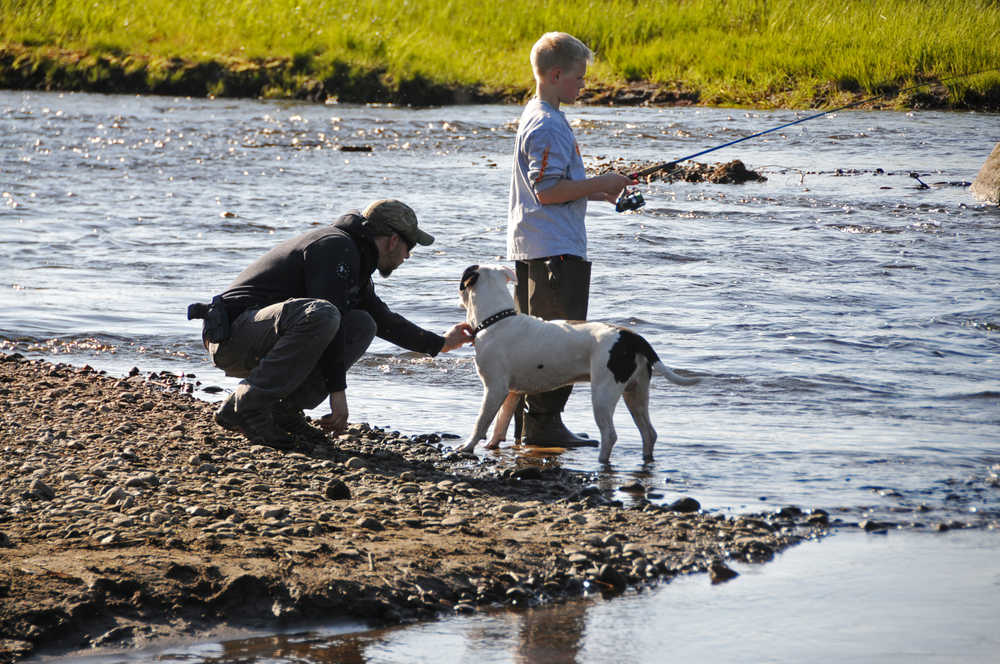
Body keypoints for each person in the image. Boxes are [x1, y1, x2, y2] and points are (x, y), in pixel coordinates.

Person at [195, 199, 473, 448]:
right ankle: (250, 408)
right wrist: (338, 394)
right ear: (392, 240)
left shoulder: (357, 258)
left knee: (363, 324)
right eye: (409, 246)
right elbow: (326, 318)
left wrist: (441, 343)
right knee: (325, 315)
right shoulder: (335, 247)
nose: (408, 256)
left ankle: (282, 410)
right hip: (233, 336)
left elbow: (385, 321)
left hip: (259, 336)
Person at [507, 32, 635, 445]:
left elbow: (553, 187)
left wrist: (598, 191)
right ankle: (544, 427)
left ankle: (530, 427)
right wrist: (602, 179)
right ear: (556, 74)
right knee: (556, 345)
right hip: (554, 252)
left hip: (535, 246)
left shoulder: (535, 113)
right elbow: (546, 190)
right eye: (579, 78)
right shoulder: (548, 123)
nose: (583, 85)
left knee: (533, 341)